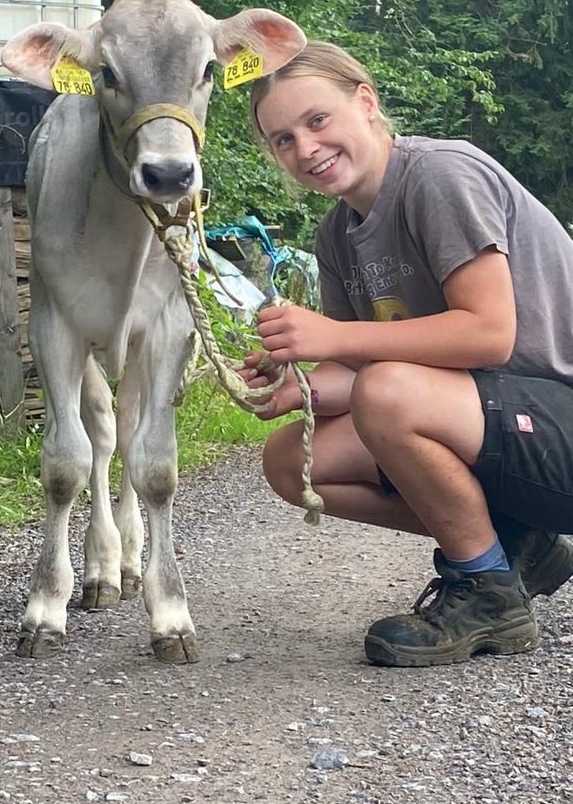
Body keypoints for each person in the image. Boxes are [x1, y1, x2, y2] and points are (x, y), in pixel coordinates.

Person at [241, 39, 573, 667]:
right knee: (293, 463)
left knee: (389, 391)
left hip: (557, 424)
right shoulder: (337, 233)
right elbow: (355, 369)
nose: (305, 148)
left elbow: (488, 335)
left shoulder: (440, 176)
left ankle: (486, 590)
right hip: (491, 423)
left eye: (317, 120)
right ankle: (516, 542)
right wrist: (298, 388)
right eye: (283, 139)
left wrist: (334, 336)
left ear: (365, 102)